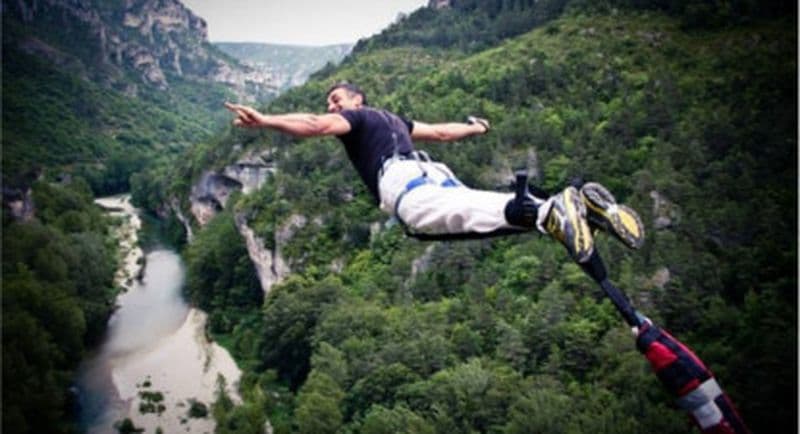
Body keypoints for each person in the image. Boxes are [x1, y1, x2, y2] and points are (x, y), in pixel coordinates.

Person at [225, 82, 644, 263]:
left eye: (336, 99)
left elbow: (314, 126)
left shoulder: (357, 118)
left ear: (357, 98)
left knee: (432, 223)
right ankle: (573, 207)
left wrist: (265, 120)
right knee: (475, 207)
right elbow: (442, 133)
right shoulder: (395, 120)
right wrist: (477, 127)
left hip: (402, 182)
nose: (332, 107)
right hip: (433, 172)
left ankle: (548, 214)